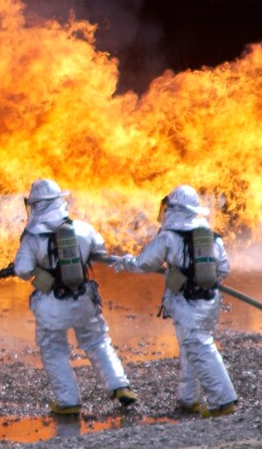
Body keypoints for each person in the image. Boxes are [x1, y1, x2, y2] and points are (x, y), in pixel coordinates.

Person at [111, 184, 239, 418]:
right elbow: (224, 269)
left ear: (174, 209)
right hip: (209, 302)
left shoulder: (169, 237)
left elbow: (144, 263)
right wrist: (200, 276)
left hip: (185, 303)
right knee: (192, 348)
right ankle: (189, 399)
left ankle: (225, 401)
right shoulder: (211, 236)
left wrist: (123, 262)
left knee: (201, 350)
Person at [13, 178, 137, 416]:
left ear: (37, 205)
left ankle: (68, 402)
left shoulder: (32, 237)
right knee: (98, 343)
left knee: (54, 350)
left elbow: (21, 270)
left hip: (51, 303)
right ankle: (121, 387)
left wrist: (39, 271)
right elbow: (99, 251)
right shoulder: (82, 229)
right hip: (83, 299)